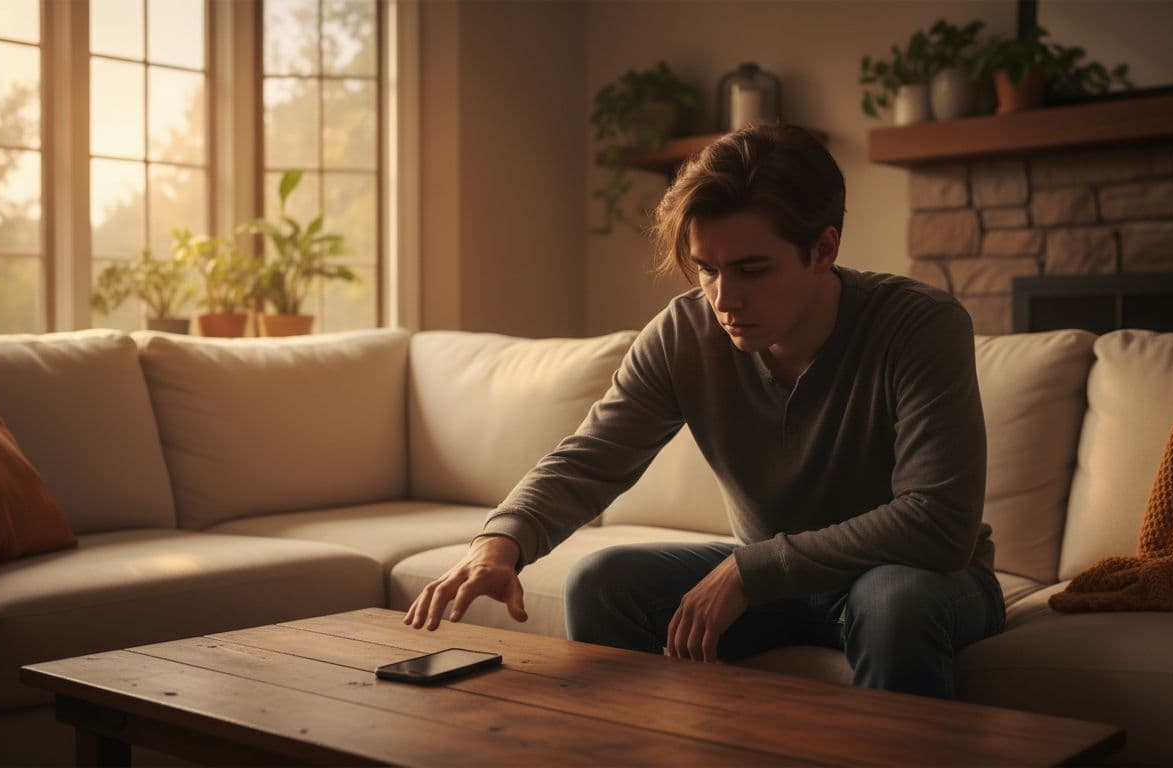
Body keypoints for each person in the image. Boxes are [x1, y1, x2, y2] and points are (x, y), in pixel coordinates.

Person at [403, 123, 1005, 699]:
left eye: (751, 270)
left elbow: (938, 520)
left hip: (920, 576)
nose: (723, 298)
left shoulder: (918, 325)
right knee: (603, 584)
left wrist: (750, 571)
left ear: (824, 249)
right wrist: (499, 543)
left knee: (893, 603)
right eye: (708, 269)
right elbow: (591, 458)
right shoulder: (685, 334)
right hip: (777, 581)